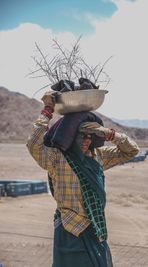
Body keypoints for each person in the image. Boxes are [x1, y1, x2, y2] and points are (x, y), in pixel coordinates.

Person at [27, 91, 139, 267]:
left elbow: (131, 151)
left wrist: (110, 134)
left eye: (90, 136)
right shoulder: (58, 159)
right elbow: (34, 143)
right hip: (70, 231)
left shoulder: (98, 157)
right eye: (82, 135)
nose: (86, 140)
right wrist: (47, 110)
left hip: (95, 229)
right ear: (72, 136)